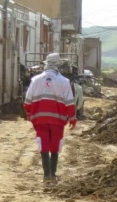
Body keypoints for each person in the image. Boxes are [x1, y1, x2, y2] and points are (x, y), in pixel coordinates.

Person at [23, 52, 77, 184]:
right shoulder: (64, 81)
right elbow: (70, 102)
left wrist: (30, 114)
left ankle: (46, 174)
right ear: (58, 64)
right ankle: (53, 174)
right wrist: (72, 118)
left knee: (43, 144)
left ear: (46, 63)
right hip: (58, 121)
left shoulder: (35, 80)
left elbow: (27, 102)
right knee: (55, 145)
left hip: (40, 120)